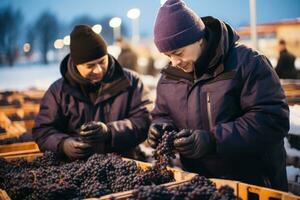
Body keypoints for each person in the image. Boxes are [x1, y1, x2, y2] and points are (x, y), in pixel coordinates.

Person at [147, 0, 289, 191]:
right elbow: (163, 114)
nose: (174, 62)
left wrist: (214, 140)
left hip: (252, 183)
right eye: (168, 56)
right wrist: (161, 127)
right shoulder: (168, 78)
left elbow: (272, 119)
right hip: (201, 185)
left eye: (178, 52)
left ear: (198, 37)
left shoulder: (247, 63)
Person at [33, 25, 152, 160]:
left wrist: (110, 131)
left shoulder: (132, 81)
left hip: (126, 164)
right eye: (90, 66)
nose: (98, 70)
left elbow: (144, 120)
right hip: (76, 170)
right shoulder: (58, 92)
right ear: (76, 64)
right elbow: (42, 130)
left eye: (102, 62)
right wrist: (63, 145)